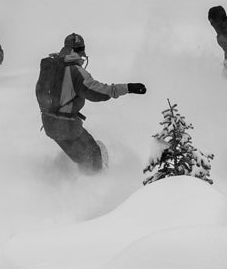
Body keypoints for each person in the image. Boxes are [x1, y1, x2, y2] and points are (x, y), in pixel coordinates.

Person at [34, 32, 145, 172]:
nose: (83, 54)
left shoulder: (53, 65)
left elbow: (40, 91)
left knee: (81, 155)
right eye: (81, 49)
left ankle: (64, 174)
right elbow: (99, 92)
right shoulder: (75, 71)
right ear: (76, 50)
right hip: (67, 127)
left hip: (50, 124)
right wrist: (128, 88)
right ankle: (93, 185)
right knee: (93, 158)